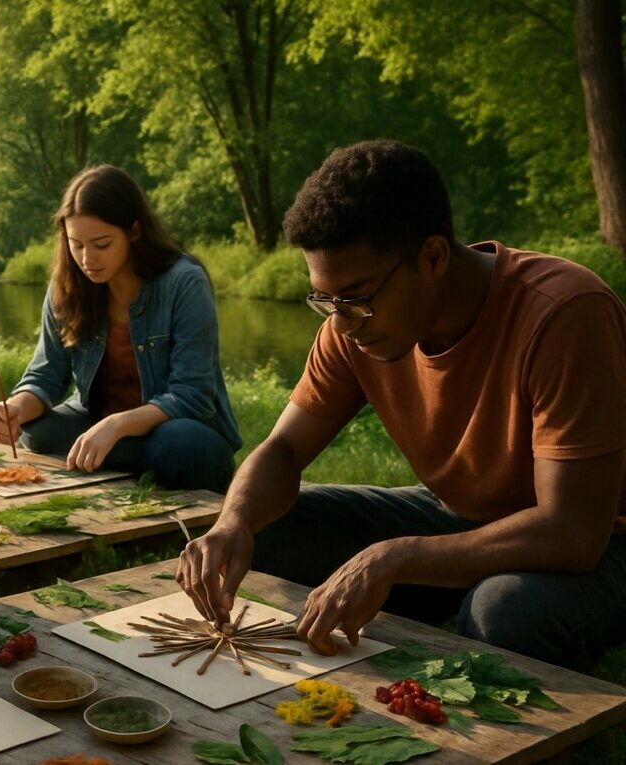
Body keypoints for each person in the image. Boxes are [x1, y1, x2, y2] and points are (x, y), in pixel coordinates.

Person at [178, 140, 626, 672]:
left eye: (355, 298)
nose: (341, 324)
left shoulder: (563, 314)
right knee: (266, 525)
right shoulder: (352, 329)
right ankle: (442, 591)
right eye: (326, 301)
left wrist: (395, 556)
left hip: (602, 543)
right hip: (459, 519)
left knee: (505, 611)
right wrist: (232, 523)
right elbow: (281, 452)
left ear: (432, 257)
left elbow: (571, 531)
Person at [0, 164, 242, 491]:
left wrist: (117, 426)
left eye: (102, 244)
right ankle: (122, 459)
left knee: (177, 445)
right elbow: (46, 375)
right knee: (35, 429)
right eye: (76, 244)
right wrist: (15, 411)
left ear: (134, 231)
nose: (87, 258)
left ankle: (115, 456)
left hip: (179, 428)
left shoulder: (183, 282)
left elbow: (192, 395)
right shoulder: (66, 286)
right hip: (97, 421)